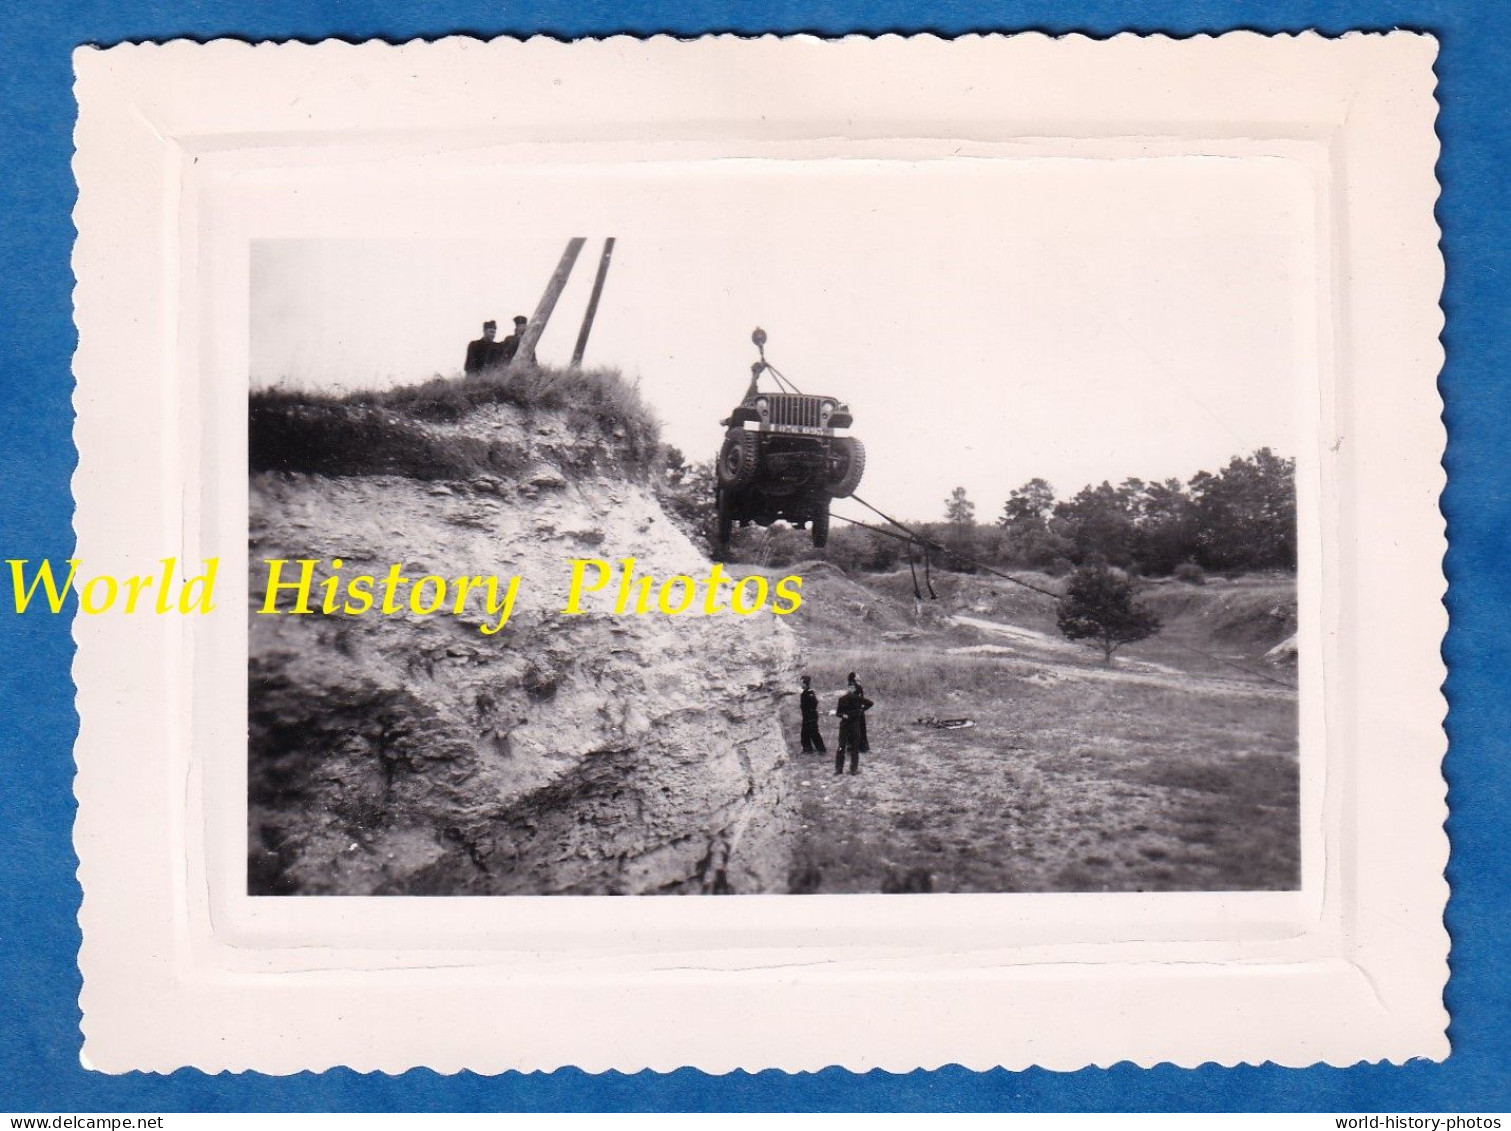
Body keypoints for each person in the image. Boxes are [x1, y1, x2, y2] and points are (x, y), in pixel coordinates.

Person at [835, 677, 874, 776]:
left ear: (855, 689)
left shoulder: (858, 699)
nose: (852, 689)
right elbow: (838, 712)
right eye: (850, 687)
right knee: (841, 747)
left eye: (853, 688)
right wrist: (842, 715)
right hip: (844, 726)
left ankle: (853, 769)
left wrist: (861, 710)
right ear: (848, 688)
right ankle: (839, 770)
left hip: (854, 725)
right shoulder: (842, 699)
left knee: (854, 748)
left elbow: (870, 703)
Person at [847, 672, 872, 757]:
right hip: (858, 711)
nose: (859, 676)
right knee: (861, 729)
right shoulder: (858, 687)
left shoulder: (850, 685)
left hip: (852, 711)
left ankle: (851, 746)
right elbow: (861, 699)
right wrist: (863, 708)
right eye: (857, 675)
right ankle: (862, 747)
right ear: (854, 678)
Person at [798, 676, 825, 754]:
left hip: (809, 715)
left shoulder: (806, 693)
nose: (800, 684)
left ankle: (820, 749)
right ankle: (808, 749)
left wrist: (807, 710)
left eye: (801, 682)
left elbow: (813, 703)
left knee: (813, 733)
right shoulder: (809, 691)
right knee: (805, 733)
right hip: (810, 715)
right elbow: (815, 702)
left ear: (804, 683)